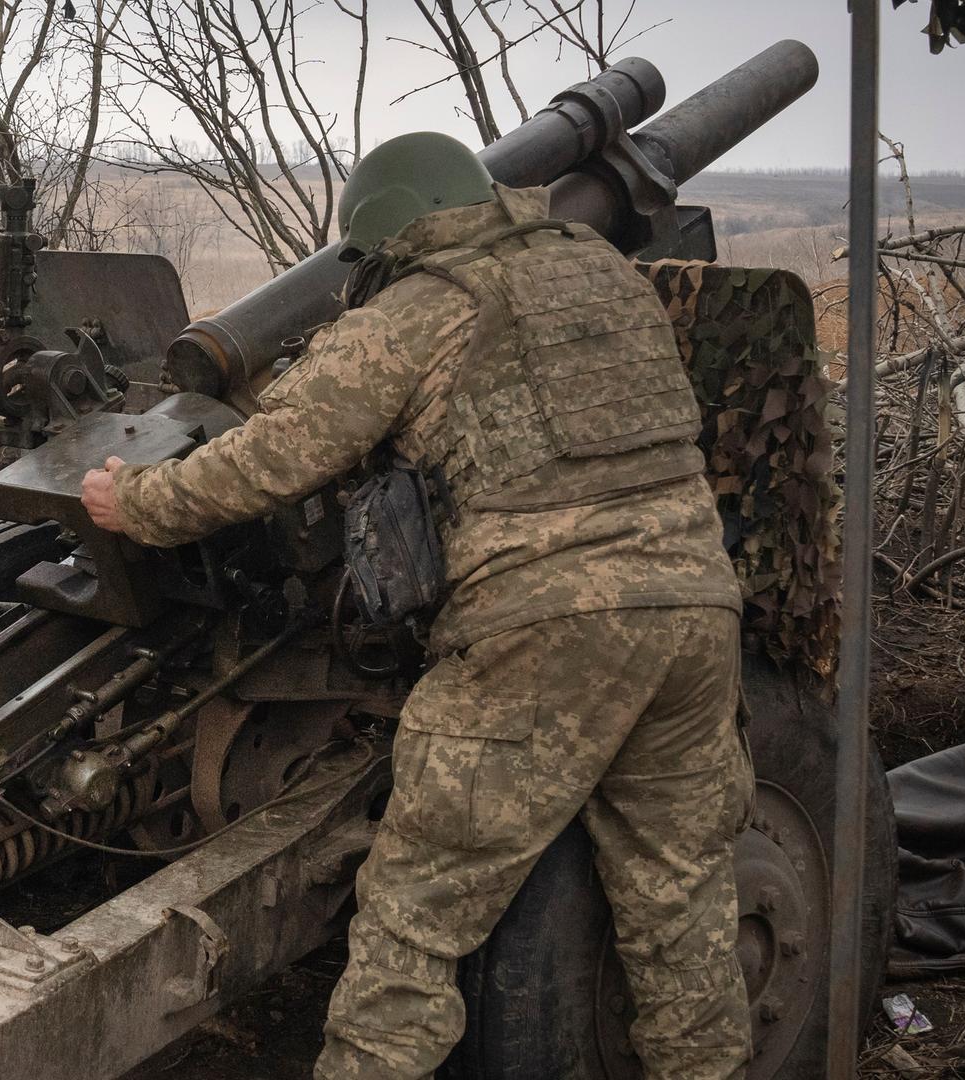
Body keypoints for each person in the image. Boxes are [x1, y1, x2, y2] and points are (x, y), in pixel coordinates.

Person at [80, 132, 753, 1079]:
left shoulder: (418, 310)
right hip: (695, 610)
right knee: (683, 904)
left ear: (391, 231)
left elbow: (275, 456)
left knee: (414, 921)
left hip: (539, 633)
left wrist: (137, 503)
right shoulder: (604, 272)